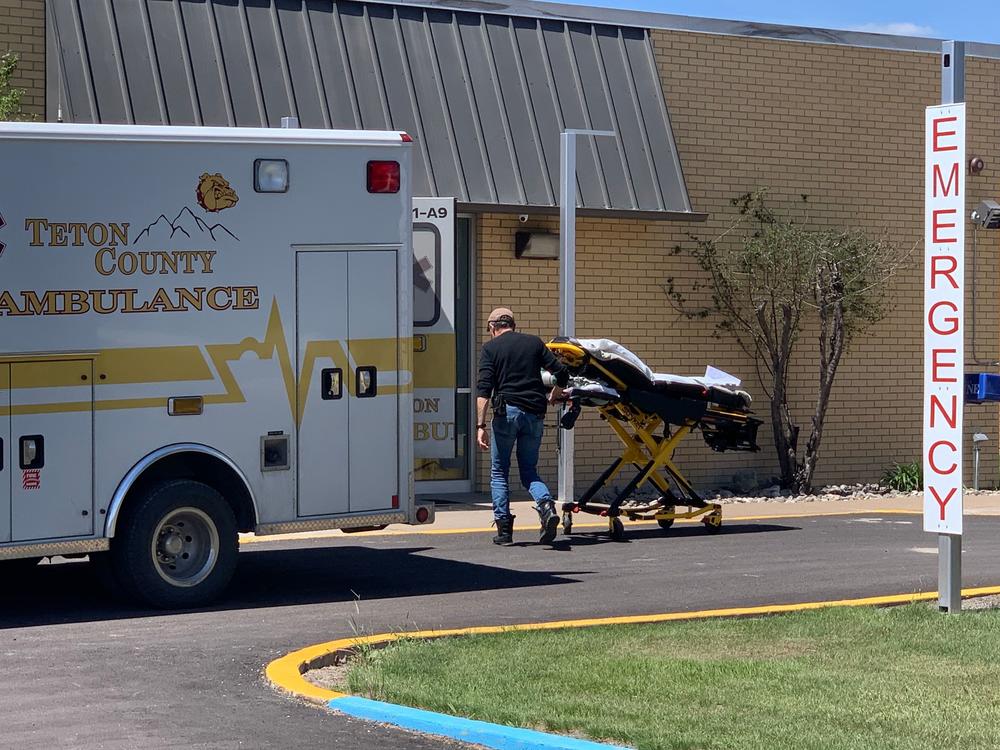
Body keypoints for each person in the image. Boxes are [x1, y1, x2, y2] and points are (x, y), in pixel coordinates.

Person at [476, 307, 570, 545]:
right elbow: (561, 373)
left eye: (489, 329)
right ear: (512, 324)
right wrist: (553, 396)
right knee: (529, 470)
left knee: (499, 472)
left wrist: (480, 425)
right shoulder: (534, 343)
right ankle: (546, 506)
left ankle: (505, 532)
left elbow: (483, 391)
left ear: (494, 326)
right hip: (535, 413)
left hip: (506, 414)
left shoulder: (490, 349)